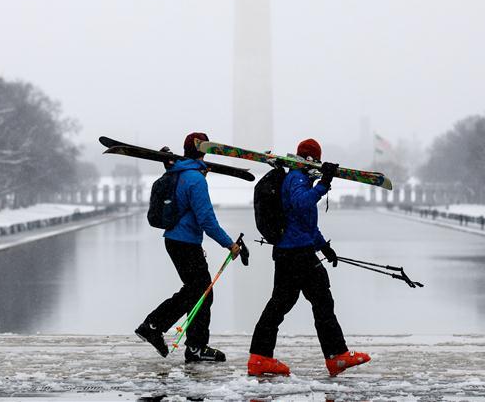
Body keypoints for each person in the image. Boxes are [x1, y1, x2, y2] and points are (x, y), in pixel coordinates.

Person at [247, 138, 370, 377]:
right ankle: (336, 356)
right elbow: (302, 204)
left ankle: (260, 357)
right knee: (321, 301)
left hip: (291, 251)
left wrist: (324, 247)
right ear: (311, 159)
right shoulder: (297, 178)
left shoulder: (298, 178)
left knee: (281, 303)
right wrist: (324, 183)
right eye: (317, 160)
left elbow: (304, 223)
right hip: (297, 254)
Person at [136, 131, 242, 363]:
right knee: (199, 292)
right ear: (204, 150)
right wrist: (230, 244)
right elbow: (206, 219)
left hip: (177, 241)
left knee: (199, 292)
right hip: (184, 242)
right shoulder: (194, 179)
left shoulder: (182, 172)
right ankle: (157, 327)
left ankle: (189, 344)